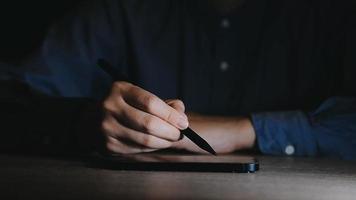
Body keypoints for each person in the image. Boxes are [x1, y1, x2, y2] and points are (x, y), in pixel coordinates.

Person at [1, 0, 356, 159]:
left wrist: (244, 130)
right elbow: (9, 102)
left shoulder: (328, 13)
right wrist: (85, 122)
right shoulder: (121, 11)